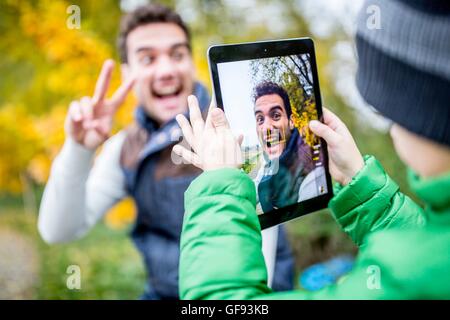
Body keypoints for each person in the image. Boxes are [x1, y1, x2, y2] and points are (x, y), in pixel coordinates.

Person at [173, 0, 450, 299]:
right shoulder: (433, 256)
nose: (393, 128)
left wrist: (218, 186)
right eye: (259, 118)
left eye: (394, 113)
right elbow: (421, 244)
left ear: (429, 116)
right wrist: (362, 185)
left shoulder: (406, 280)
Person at [38, 4, 294, 299]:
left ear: (191, 61)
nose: (167, 70)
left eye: (177, 54)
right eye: (148, 58)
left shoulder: (236, 131)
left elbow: (262, 264)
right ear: (128, 73)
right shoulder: (125, 149)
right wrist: (79, 149)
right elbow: (58, 230)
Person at [251, 81, 327, 214]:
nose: (267, 128)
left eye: (276, 115)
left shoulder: (312, 174)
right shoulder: (270, 163)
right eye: (260, 119)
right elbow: (254, 188)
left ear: (291, 122)